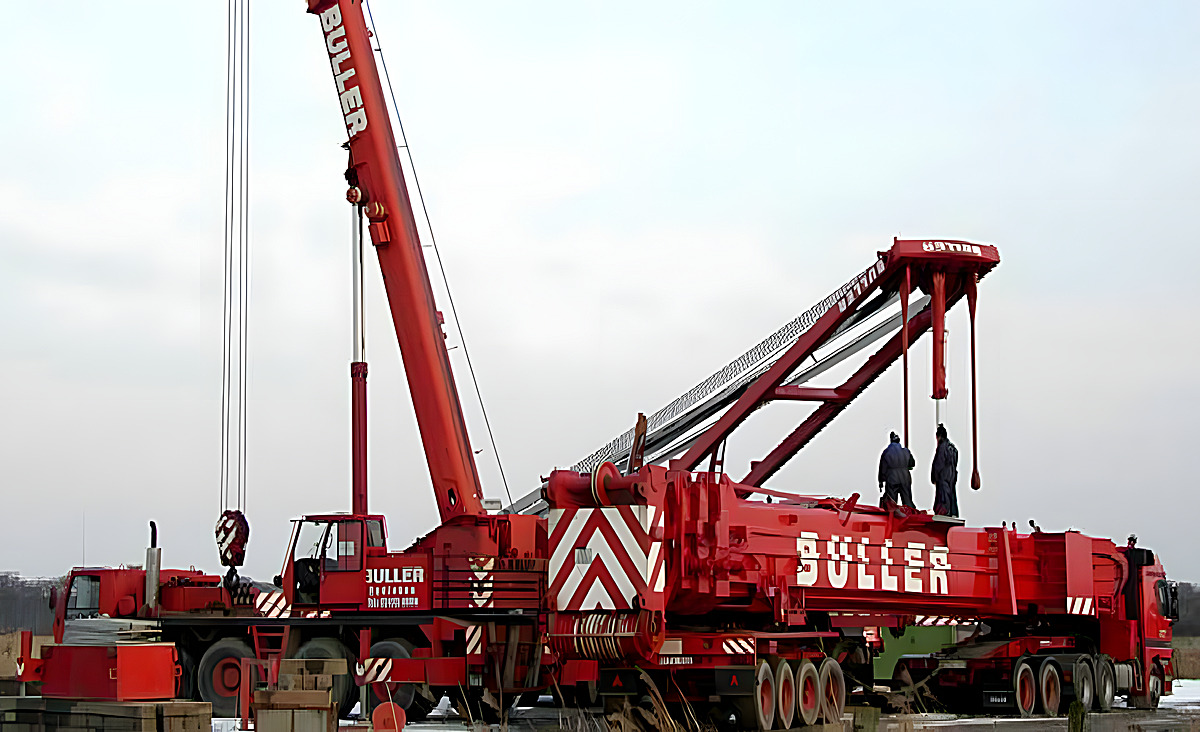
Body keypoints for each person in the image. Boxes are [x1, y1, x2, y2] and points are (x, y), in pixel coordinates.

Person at [878, 431, 916, 509]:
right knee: (907, 501)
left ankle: (891, 515)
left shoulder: (886, 452)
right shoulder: (906, 451)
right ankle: (912, 513)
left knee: (892, 503)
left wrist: (881, 481)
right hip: (905, 478)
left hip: (892, 478)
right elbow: (912, 463)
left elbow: (883, 468)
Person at [931, 423, 960, 517]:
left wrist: (934, 477)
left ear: (938, 436)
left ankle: (944, 514)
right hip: (952, 476)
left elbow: (938, 464)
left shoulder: (942, 447)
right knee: (951, 496)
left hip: (943, 477)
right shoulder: (953, 448)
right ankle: (953, 513)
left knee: (943, 498)